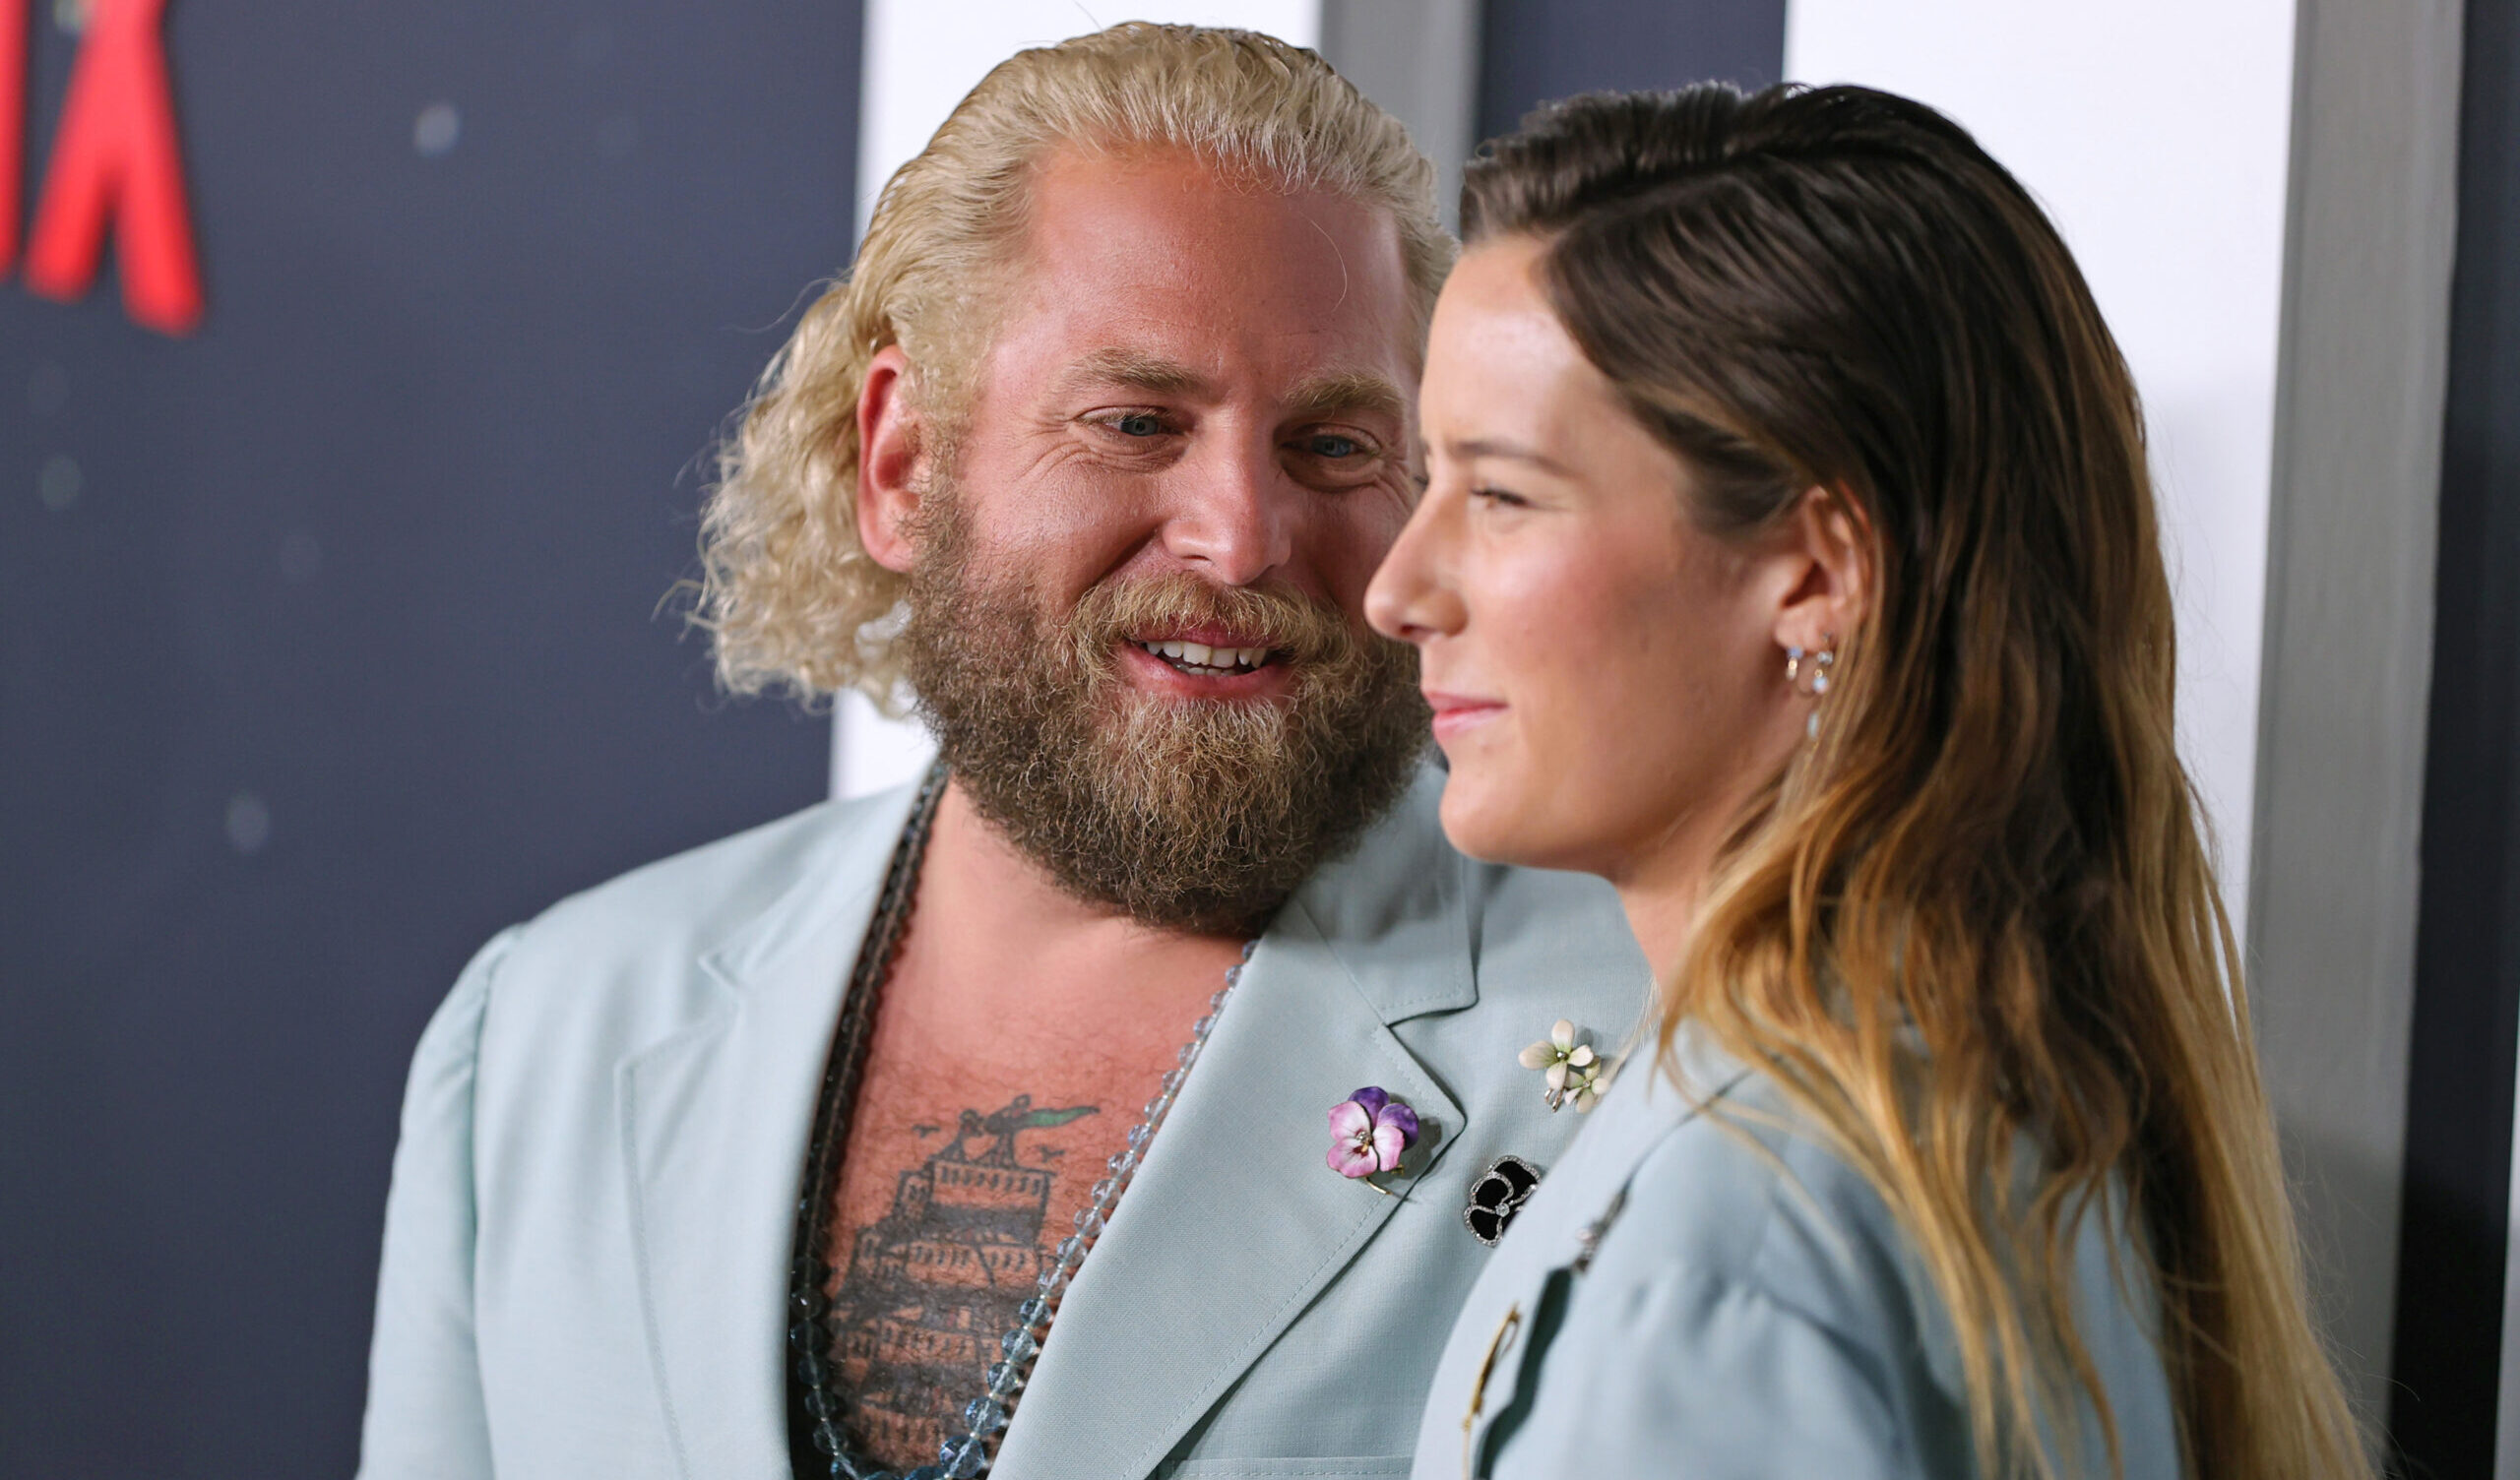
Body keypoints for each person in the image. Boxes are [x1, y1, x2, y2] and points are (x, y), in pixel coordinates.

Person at [353, 26, 1646, 1480]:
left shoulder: (1662, 1041)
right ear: (902, 466)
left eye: (1335, 445)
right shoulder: (544, 1033)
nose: (1242, 532)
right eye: (1136, 422)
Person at [1369, 85, 2370, 1479]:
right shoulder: (2000, 1117)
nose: (1397, 589)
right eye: (1425, 479)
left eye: (1502, 493)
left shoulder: (1725, 1243)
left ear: (1818, 573)